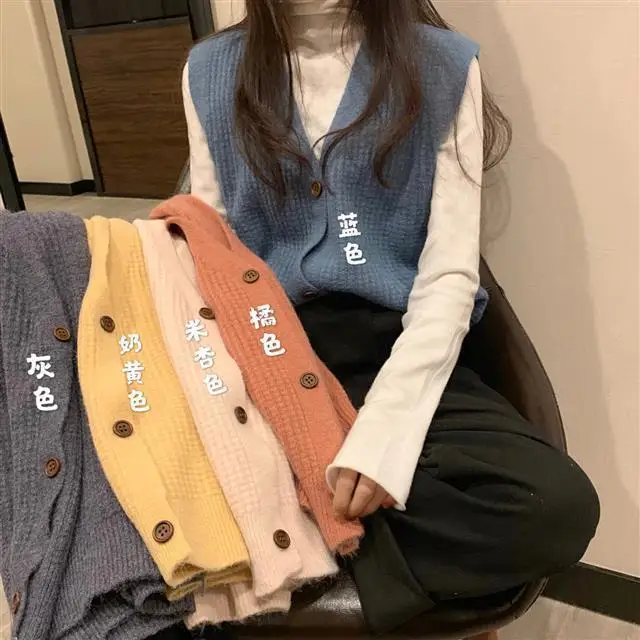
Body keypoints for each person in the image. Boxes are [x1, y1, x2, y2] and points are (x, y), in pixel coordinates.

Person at [182, 0, 599, 632]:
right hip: (268, 349)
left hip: (401, 348)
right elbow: (206, 252)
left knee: (555, 508)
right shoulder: (210, 69)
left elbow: (450, 275)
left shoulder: (442, 64)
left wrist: (386, 437)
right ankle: (322, 533)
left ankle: (292, 542)